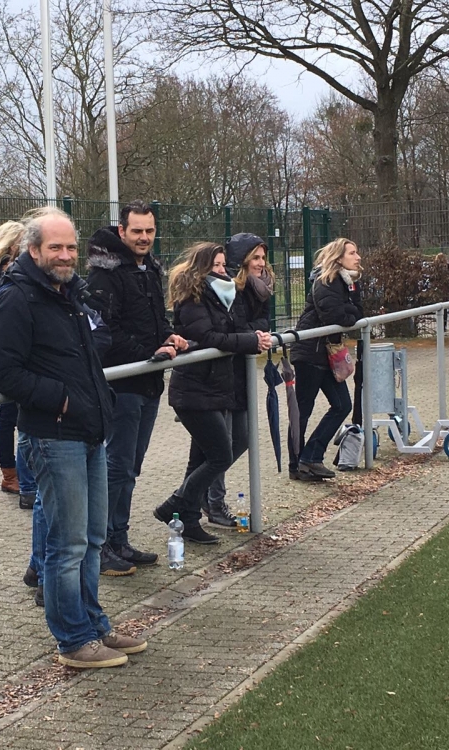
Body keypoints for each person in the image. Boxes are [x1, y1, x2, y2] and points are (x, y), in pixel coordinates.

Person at [0, 206, 146, 668]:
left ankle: (93, 624)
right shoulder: (17, 297)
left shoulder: (70, 294)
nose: (65, 255)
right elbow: (1, 371)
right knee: (67, 544)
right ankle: (73, 640)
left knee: (93, 539)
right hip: (53, 437)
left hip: (90, 431)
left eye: (71, 247)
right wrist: (61, 399)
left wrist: (95, 402)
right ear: (33, 250)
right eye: (55, 247)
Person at [86, 200, 188, 575]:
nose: (144, 237)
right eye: (137, 231)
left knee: (131, 468)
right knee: (116, 468)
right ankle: (100, 546)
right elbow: (105, 333)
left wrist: (169, 336)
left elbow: (154, 320)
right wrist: (150, 350)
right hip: (122, 385)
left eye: (149, 230)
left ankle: (119, 539)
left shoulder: (149, 269)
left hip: (148, 383)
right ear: (122, 231)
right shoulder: (104, 275)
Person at [153, 243, 271, 544]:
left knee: (201, 460)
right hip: (194, 388)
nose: (221, 270)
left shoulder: (222, 296)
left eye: (222, 265)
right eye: (215, 265)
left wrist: (252, 335)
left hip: (214, 386)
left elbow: (233, 329)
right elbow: (207, 337)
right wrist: (249, 340)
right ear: (201, 268)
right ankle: (174, 504)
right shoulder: (192, 297)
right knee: (220, 455)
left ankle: (187, 519)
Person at [199, 233, 274, 527]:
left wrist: (254, 333)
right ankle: (212, 500)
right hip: (223, 375)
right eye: (255, 257)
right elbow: (235, 327)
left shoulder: (263, 288)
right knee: (224, 443)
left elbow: (263, 322)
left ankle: (197, 489)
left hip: (242, 373)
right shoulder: (231, 288)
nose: (261, 263)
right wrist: (252, 334)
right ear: (242, 260)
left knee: (240, 439)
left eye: (263, 257)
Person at [289, 237, 364, 481]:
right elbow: (335, 315)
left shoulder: (348, 282)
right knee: (303, 410)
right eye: (352, 253)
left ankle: (311, 456)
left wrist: (350, 311)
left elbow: (358, 312)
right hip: (310, 352)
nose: (358, 257)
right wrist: (349, 313)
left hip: (326, 354)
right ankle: (296, 465)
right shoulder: (326, 280)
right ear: (338, 258)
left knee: (342, 405)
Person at [0, 220, 37, 509]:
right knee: (11, 418)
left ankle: (12, 473)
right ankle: (12, 475)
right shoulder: (6, 274)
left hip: (8, 351)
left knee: (8, 416)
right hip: (14, 354)